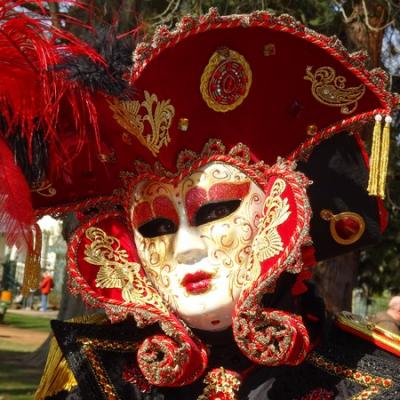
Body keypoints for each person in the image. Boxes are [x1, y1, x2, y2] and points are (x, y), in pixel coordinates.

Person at [1, 4, 399, 400]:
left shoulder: (364, 379)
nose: (187, 248)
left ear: (277, 212)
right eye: (155, 227)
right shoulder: (100, 375)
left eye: (215, 210)